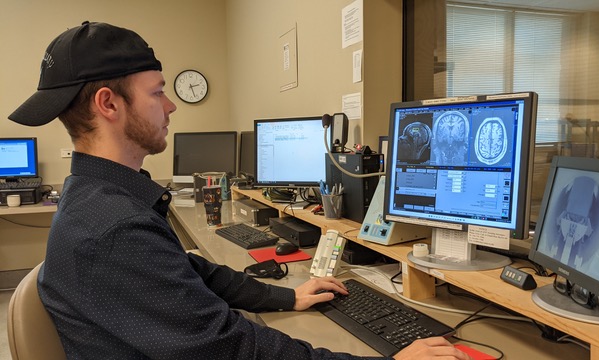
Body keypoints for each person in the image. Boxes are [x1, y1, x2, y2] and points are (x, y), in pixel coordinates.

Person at [8, 21, 470, 360]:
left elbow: (188, 271)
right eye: (156, 93)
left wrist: (286, 297)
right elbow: (229, 348)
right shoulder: (113, 226)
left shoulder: (101, 195)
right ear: (109, 103)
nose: (170, 106)